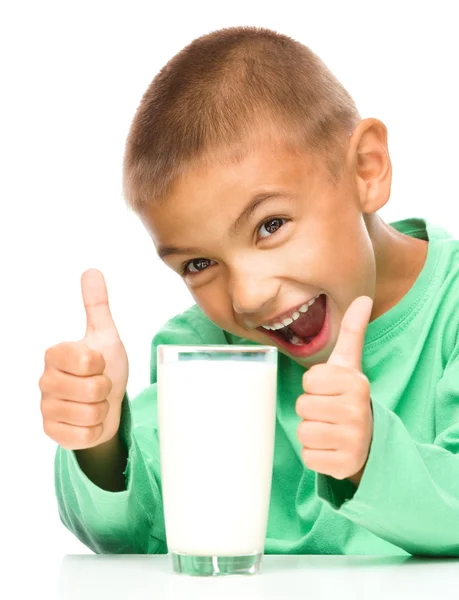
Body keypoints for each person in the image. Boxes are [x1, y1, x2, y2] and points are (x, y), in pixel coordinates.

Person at [39, 26, 459, 556]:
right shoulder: (208, 351)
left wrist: (371, 453)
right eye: (198, 263)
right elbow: (133, 536)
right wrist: (98, 439)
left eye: (270, 225)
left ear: (366, 169)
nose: (249, 295)